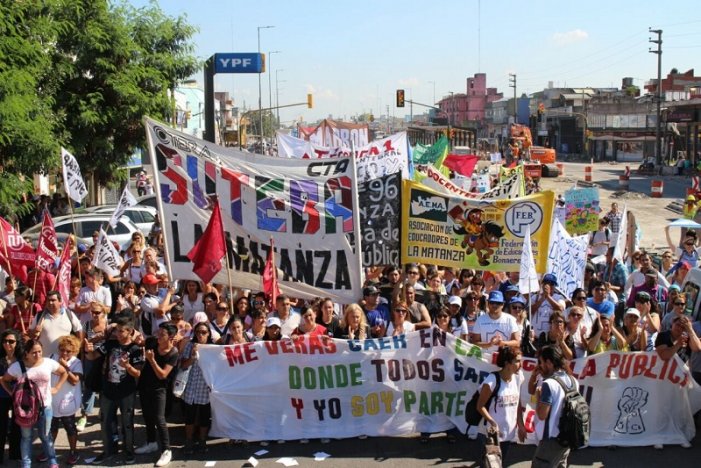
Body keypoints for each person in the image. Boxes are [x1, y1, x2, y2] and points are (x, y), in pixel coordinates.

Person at [84, 315, 144, 465]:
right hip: (108, 390)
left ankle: (128, 451)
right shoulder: (110, 345)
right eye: (116, 330)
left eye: (121, 331)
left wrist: (127, 367)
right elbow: (93, 356)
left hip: (127, 392)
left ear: (130, 332)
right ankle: (108, 451)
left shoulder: (136, 349)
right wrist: (87, 350)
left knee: (127, 424)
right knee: (105, 423)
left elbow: (138, 373)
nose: (117, 333)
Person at [2, 339, 67, 468]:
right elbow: (4, 380)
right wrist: (12, 393)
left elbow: (63, 372)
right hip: (26, 409)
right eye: (34, 352)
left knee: (46, 436)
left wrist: (57, 388)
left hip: (45, 406)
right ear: (26, 353)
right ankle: (26, 464)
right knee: (26, 437)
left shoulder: (48, 363)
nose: (37, 355)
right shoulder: (17, 367)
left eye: (39, 352)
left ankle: (52, 462)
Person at [135, 323, 178, 467]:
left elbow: (163, 375)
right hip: (144, 386)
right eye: (158, 332)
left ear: (170, 337)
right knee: (147, 416)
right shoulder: (152, 342)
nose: (158, 336)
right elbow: (139, 341)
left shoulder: (173, 353)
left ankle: (166, 450)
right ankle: (151, 442)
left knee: (159, 419)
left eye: (162, 334)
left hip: (159, 389)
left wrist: (152, 360)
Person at [476, 345, 526, 462]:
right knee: (491, 465)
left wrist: (521, 425)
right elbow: (480, 406)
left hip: (507, 434)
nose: (520, 364)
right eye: (517, 361)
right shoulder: (492, 381)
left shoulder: (518, 378)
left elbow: (517, 402)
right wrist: (492, 422)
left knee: (501, 463)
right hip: (490, 434)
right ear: (507, 363)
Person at [532, 345, 578, 468]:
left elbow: (542, 415)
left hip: (551, 440)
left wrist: (538, 396)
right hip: (567, 437)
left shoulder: (548, 384)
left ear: (549, 363)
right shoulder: (573, 380)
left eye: (541, 362)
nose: (539, 366)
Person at [48, 335, 83, 465]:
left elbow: (75, 381)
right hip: (52, 400)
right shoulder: (52, 358)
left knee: (70, 428)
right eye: (62, 349)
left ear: (73, 351)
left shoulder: (76, 362)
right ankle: (49, 450)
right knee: (51, 428)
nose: (64, 353)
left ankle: (73, 451)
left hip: (67, 401)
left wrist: (65, 367)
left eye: (68, 351)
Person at [180, 322, 213, 452]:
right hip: (191, 386)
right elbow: (183, 365)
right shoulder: (189, 346)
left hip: (205, 387)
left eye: (204, 332)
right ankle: (189, 441)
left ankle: (202, 440)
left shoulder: (212, 348)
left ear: (208, 334)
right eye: (198, 332)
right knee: (190, 416)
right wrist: (193, 357)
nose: (200, 335)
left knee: (205, 416)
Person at [31, 291, 83, 357]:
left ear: (60, 301)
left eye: (53, 300)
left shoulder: (69, 314)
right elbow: (30, 335)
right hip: (45, 360)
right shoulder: (40, 316)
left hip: (64, 359)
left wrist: (77, 349)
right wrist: (35, 331)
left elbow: (79, 331)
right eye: (48, 300)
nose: (50, 303)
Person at [0, 330, 21, 463]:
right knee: (0, 426)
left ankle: (15, 454)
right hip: (1, 395)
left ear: (17, 343)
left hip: (18, 396)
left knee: (17, 426)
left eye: (11, 341)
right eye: (5, 341)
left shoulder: (22, 359)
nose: (7, 344)